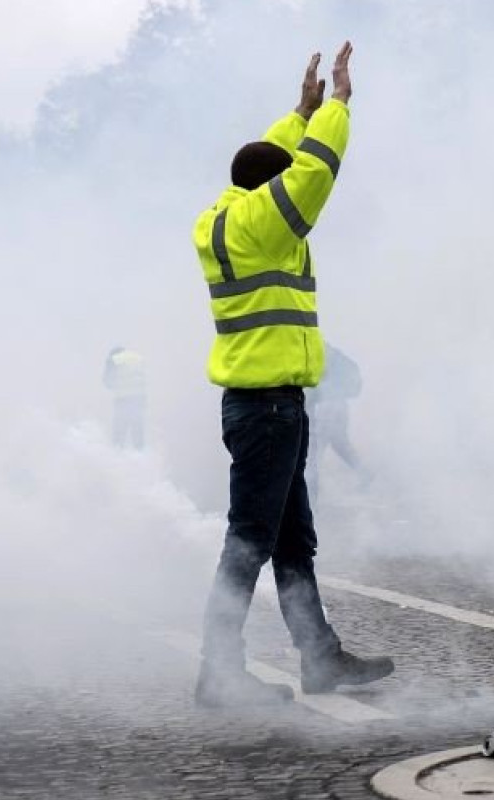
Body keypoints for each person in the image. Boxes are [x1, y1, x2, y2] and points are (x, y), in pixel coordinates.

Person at [189, 42, 393, 708]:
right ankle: (218, 673)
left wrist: (296, 114)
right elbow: (309, 175)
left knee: (291, 542)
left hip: (264, 408)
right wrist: (336, 106)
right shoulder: (268, 225)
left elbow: (265, 163)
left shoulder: (221, 217)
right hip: (270, 411)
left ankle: (320, 658)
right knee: (249, 542)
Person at [307, 343, 370, 499]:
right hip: (336, 405)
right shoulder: (328, 350)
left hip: (327, 406)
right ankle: (364, 472)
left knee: (314, 451)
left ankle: (310, 493)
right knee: (339, 443)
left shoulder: (317, 350)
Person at [102, 346, 147, 450]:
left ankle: (119, 458)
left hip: (122, 399)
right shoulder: (138, 358)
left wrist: (115, 385)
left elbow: (107, 381)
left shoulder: (113, 359)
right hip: (139, 399)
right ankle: (141, 458)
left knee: (119, 433)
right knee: (138, 432)